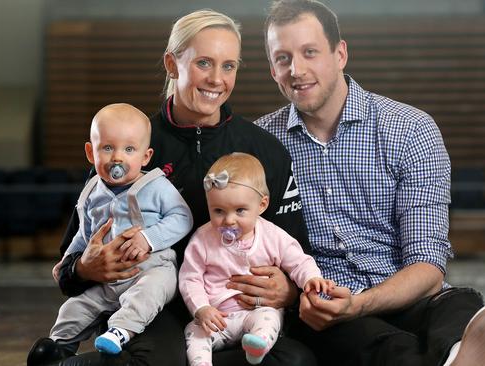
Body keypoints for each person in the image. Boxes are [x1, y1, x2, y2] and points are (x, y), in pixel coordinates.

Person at [256, 1, 485, 365]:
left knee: (461, 302)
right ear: (272, 69)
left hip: (411, 295)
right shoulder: (260, 145)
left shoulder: (411, 131)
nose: (296, 70)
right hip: (328, 306)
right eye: (283, 58)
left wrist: (362, 303)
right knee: (383, 348)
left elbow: (427, 263)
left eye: (309, 52)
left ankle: (462, 354)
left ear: (340, 53)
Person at [28, 9, 316, 366]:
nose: (216, 79)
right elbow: (70, 266)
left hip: (231, 306)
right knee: (161, 361)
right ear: (171, 63)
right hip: (153, 302)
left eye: (229, 66)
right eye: (204, 63)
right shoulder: (128, 146)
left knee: (295, 361)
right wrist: (86, 269)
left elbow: (297, 252)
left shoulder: (264, 151)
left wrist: (287, 290)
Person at [45, 103, 193, 355]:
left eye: (129, 149)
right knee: (75, 306)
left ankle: (121, 330)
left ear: (145, 157)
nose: (117, 157)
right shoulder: (92, 192)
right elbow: (85, 234)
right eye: (107, 148)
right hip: (106, 277)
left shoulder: (156, 186)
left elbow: (182, 217)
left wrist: (148, 238)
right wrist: (68, 260)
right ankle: (58, 346)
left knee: (149, 293)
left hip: (152, 268)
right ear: (91, 153)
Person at [180, 153, 334, 366]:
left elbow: (299, 261)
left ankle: (257, 347)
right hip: (216, 318)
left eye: (240, 210)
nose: (229, 220)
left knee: (269, 317)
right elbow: (190, 278)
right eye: (218, 211)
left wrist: (311, 278)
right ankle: (202, 363)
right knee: (194, 332)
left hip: (254, 312)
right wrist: (201, 309)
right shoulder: (203, 239)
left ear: (261, 205)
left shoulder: (272, 235)